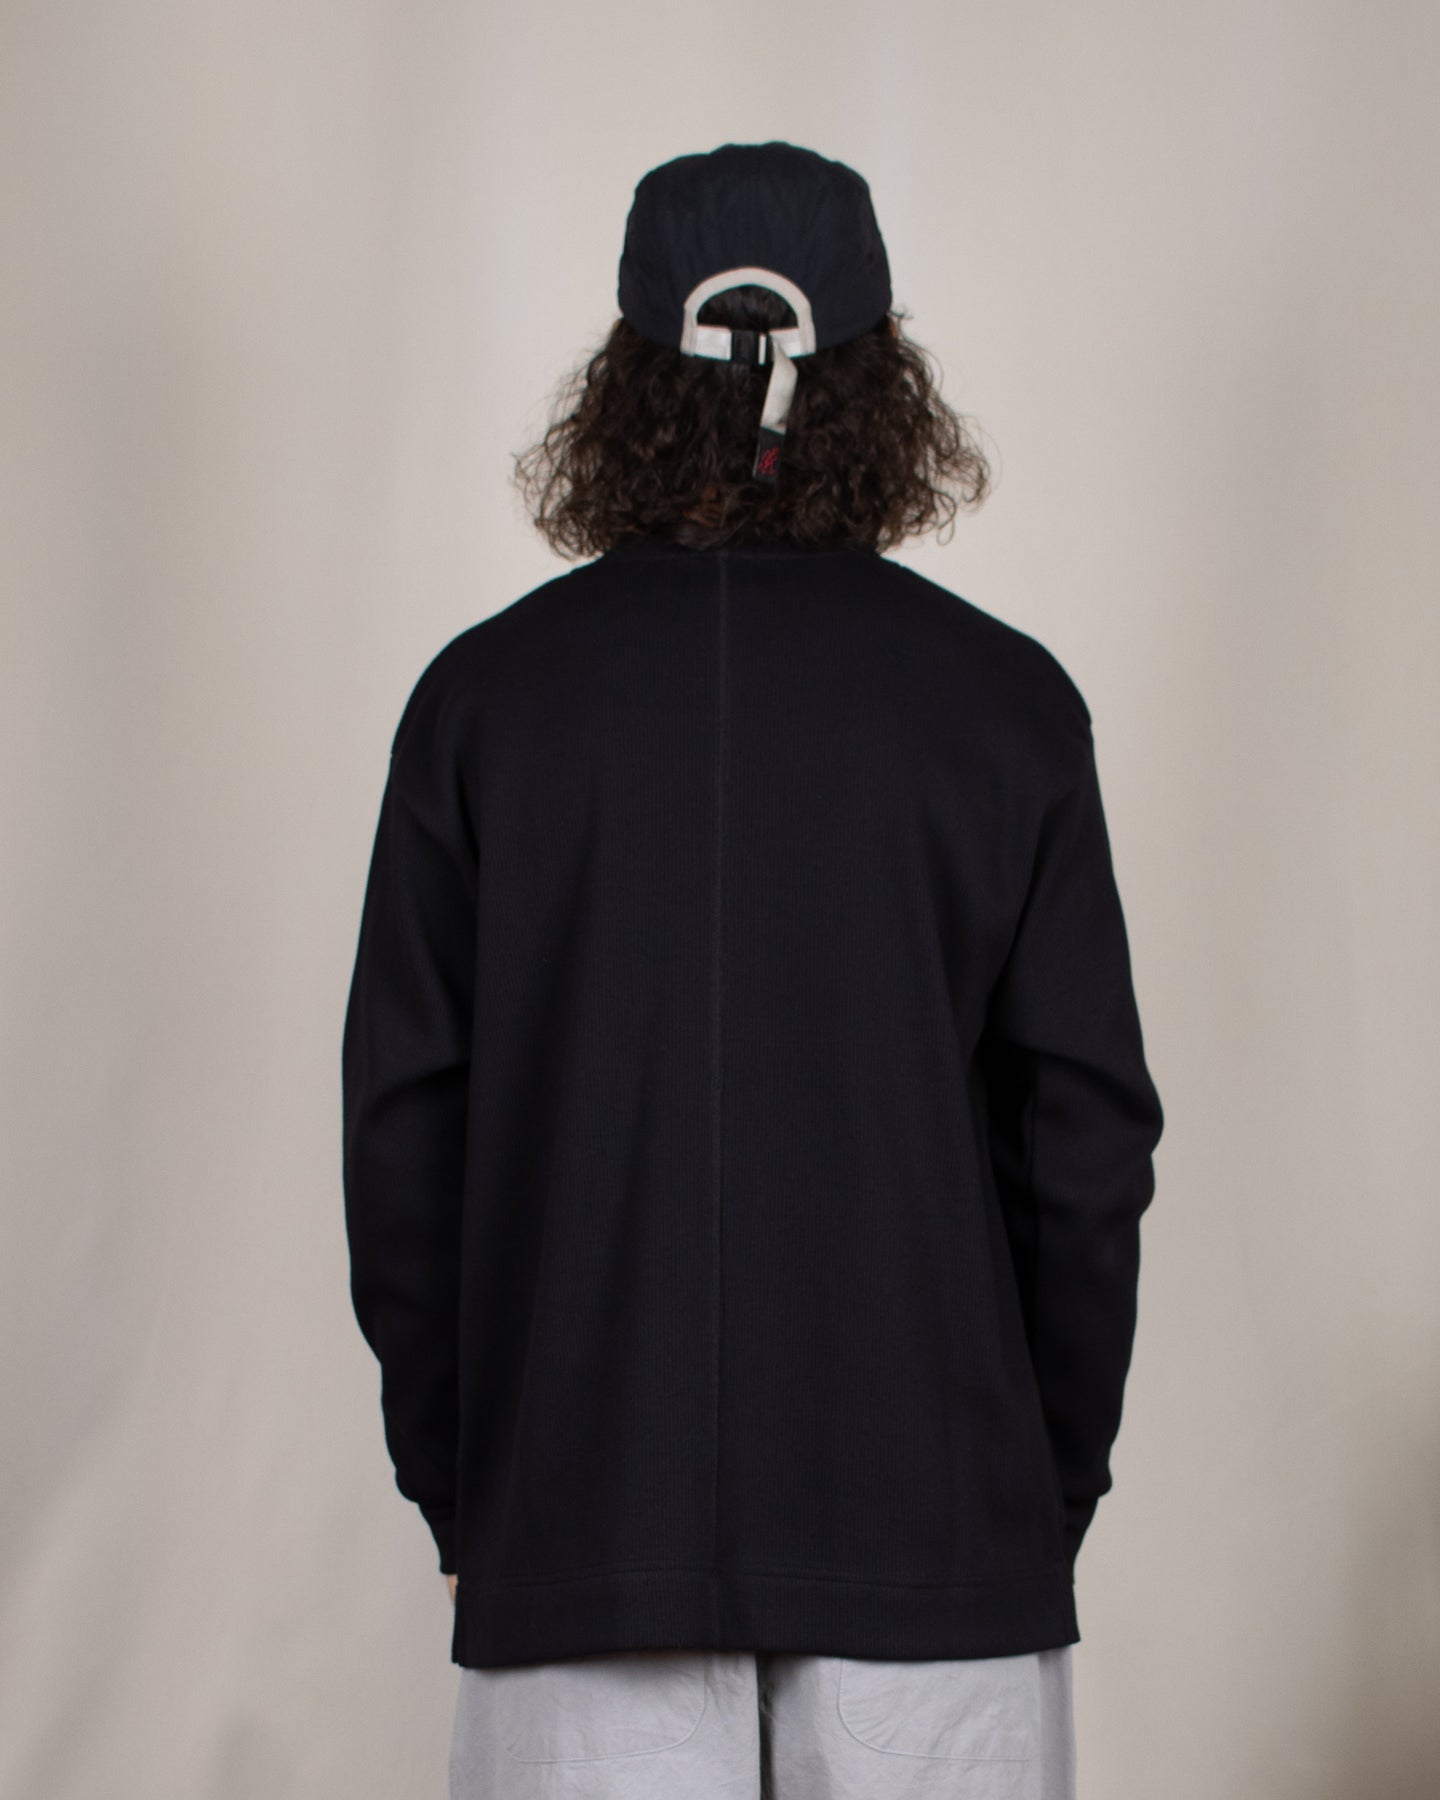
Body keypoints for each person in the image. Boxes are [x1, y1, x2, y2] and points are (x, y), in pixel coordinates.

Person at [341, 140, 1165, 1800]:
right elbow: (1082, 1151)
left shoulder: (483, 705)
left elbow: (406, 1142)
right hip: (935, 1538)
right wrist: (1038, 1490)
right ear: (880, 380)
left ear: (629, 382)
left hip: (581, 1530)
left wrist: (471, 1492)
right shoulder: (1006, 709)